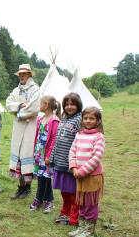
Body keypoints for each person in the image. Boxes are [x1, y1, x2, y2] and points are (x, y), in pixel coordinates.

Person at [68, 107, 105, 237]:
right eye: (86, 118)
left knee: (90, 204)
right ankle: (82, 227)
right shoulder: (79, 134)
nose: (88, 121)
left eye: (92, 118)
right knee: (82, 202)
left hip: (92, 177)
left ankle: (89, 230)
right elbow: (72, 151)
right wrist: (73, 167)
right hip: (79, 175)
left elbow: (96, 157)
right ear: (82, 120)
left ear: (98, 121)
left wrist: (82, 171)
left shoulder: (99, 137)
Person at [6, 64, 40, 199]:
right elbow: (8, 104)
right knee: (18, 155)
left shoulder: (35, 89)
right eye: (20, 74)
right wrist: (20, 105)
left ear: (29, 75)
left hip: (30, 126)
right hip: (18, 127)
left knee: (27, 154)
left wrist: (20, 113)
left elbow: (34, 107)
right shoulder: (16, 90)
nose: (22, 76)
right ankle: (20, 187)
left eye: (24, 74)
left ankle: (27, 187)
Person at [49, 92, 83, 226]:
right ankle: (65, 211)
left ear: (78, 105)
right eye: (67, 104)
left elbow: (81, 142)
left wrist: (76, 162)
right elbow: (57, 140)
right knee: (64, 190)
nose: (69, 107)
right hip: (60, 161)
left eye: (72, 104)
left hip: (72, 162)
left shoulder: (80, 119)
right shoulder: (63, 118)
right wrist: (51, 157)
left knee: (73, 191)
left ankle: (74, 216)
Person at [29, 95, 60, 212]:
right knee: (41, 176)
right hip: (39, 153)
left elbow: (53, 139)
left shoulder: (54, 120)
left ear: (46, 105)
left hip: (47, 155)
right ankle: (43, 199)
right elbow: (37, 136)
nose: (39, 105)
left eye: (40, 103)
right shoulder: (40, 119)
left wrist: (49, 156)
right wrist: (35, 151)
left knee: (46, 178)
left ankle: (44, 200)